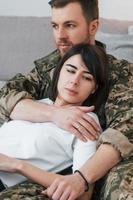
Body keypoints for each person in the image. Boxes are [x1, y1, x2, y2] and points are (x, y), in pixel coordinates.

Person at [0, 0, 132, 200]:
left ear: (93, 27)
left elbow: (124, 130)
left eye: (70, 25)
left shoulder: (122, 74)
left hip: (85, 169)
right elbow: (7, 96)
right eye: (55, 26)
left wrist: (81, 179)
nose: (60, 36)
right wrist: (55, 114)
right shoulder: (49, 67)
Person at [0, 43, 108, 200]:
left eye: (86, 77)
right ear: (58, 73)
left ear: (94, 88)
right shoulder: (37, 105)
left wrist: (17, 166)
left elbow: (83, 192)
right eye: (70, 71)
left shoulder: (86, 122)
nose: (75, 81)